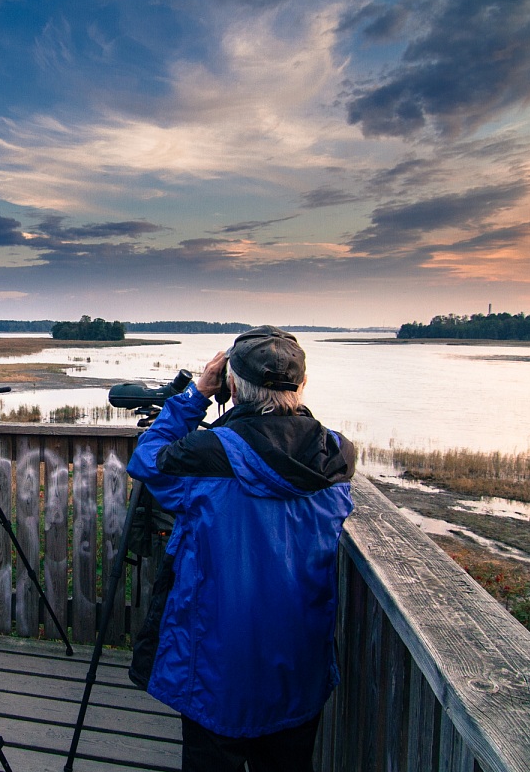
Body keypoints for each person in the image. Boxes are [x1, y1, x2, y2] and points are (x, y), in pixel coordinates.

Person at [126, 326, 355, 772]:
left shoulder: (207, 454)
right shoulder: (336, 454)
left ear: (231, 385)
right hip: (298, 655)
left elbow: (146, 458)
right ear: (301, 386)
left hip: (216, 660)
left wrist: (194, 396)